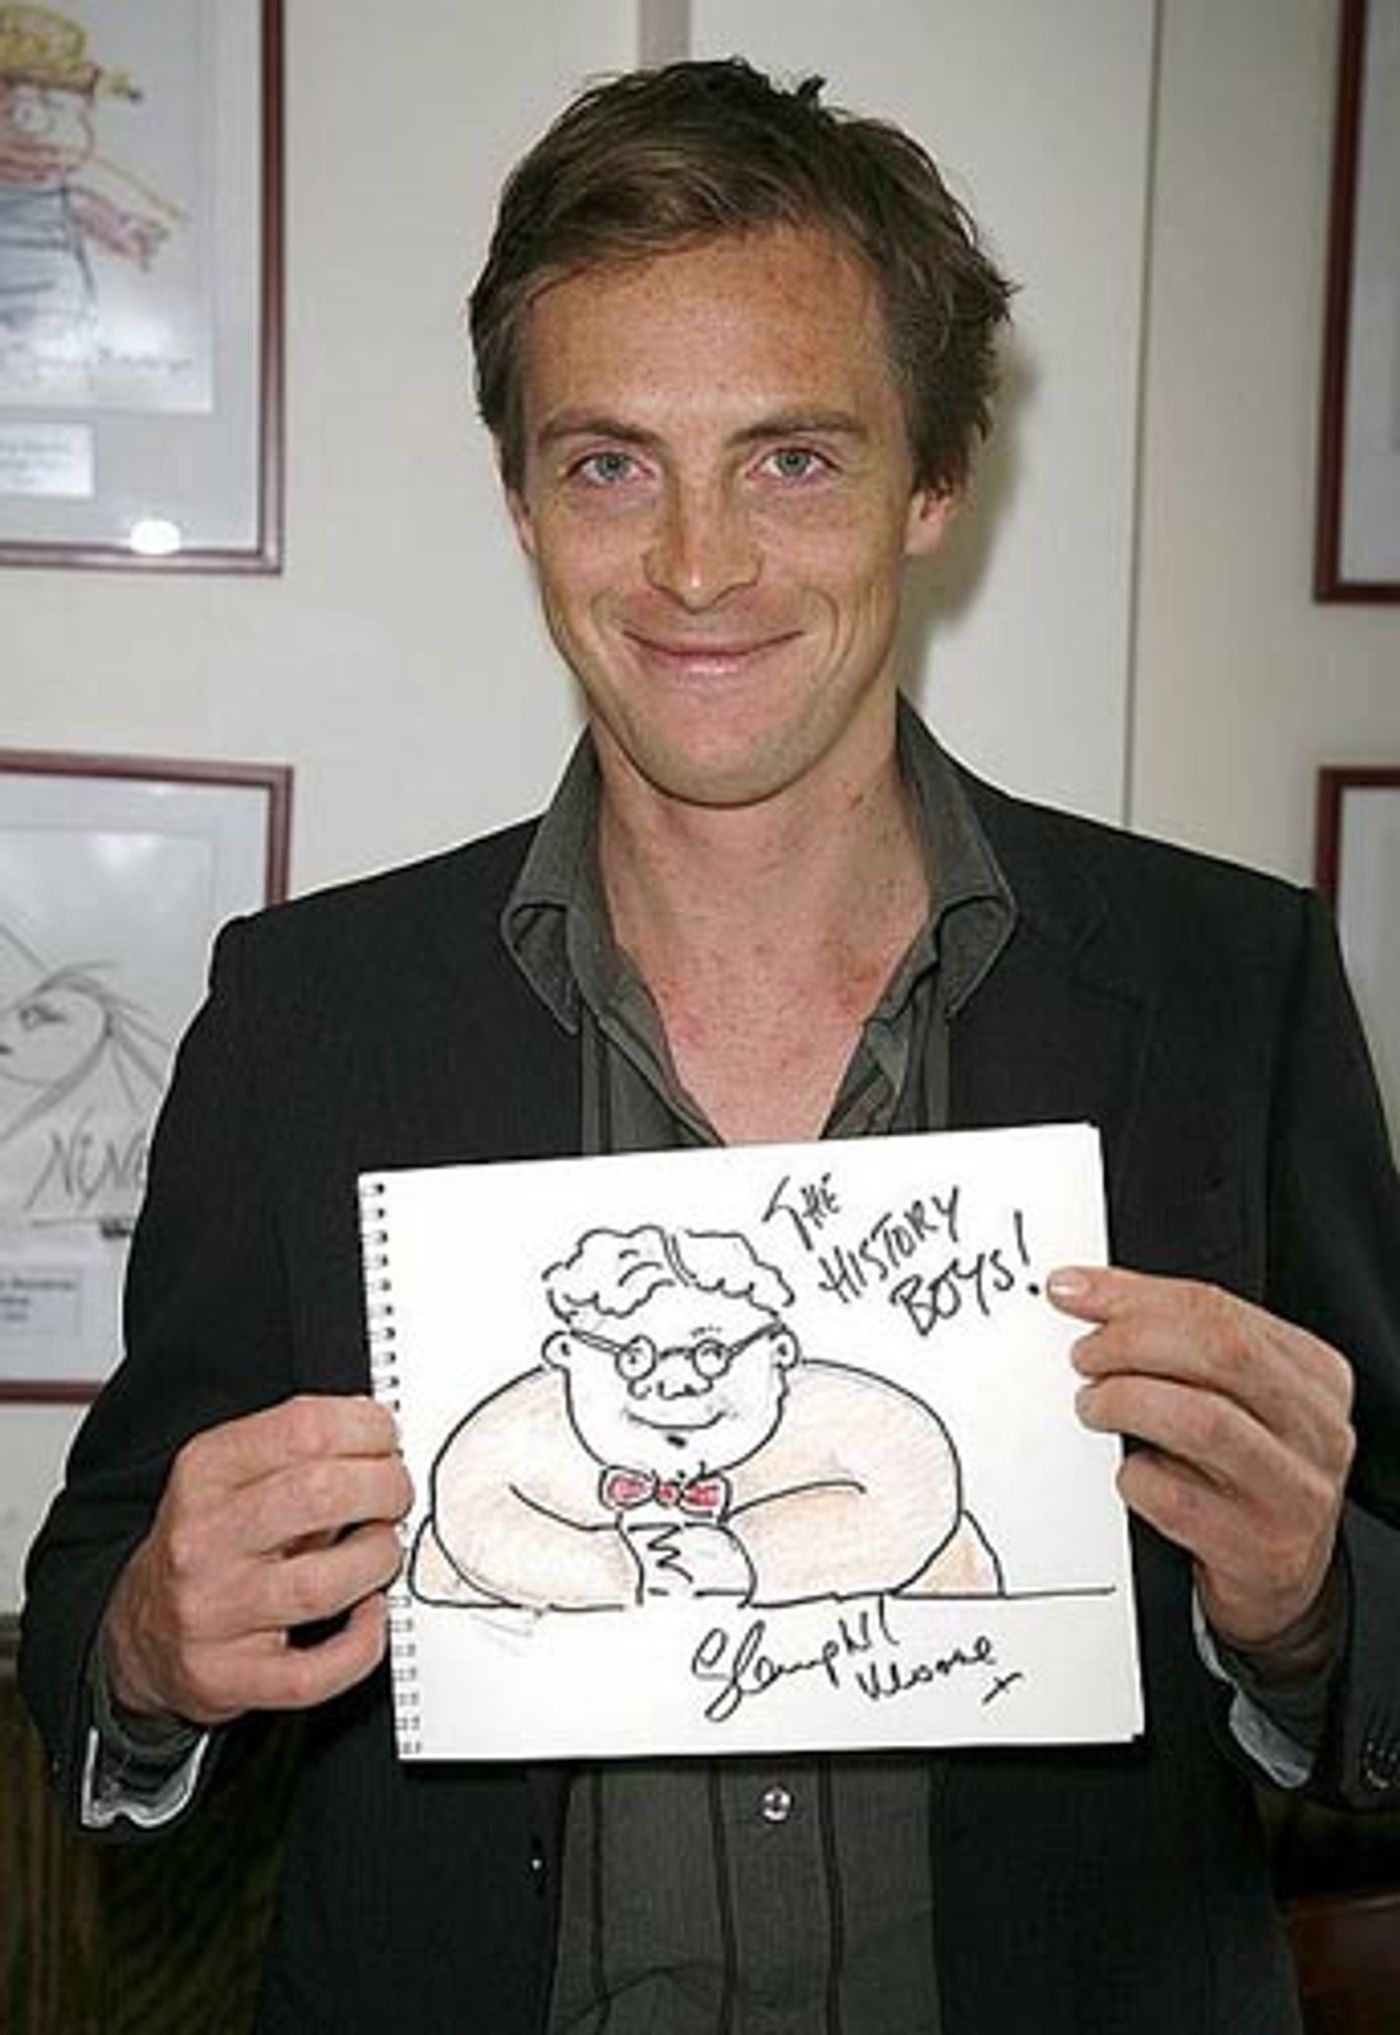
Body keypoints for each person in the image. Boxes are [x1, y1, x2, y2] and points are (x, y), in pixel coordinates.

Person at [18, 55, 1400, 2035]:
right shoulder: (307, 1016)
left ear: (934, 480)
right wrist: (152, 1651)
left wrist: (1310, 1608)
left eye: (791, 459)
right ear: (520, 499)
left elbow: (1380, 1642)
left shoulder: (1225, 985)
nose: (694, 566)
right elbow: (97, 1608)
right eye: (609, 465)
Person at [409, 1220, 1002, 1611]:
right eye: (634, 1357)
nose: (674, 1385)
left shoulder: (853, 1417)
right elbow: (472, 1511)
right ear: (565, 1357)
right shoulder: (519, 1430)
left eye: (712, 1354)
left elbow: (917, 1491)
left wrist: (755, 1559)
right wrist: (615, 1574)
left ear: (779, 1354)